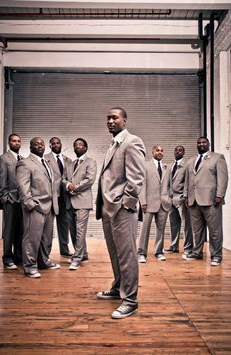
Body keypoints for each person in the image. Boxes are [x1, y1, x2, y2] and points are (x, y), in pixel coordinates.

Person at [96, 107, 146, 319]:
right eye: (108, 117)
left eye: (114, 117)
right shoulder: (114, 143)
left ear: (125, 121)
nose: (110, 121)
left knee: (127, 255)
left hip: (121, 209)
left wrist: (126, 204)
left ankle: (131, 300)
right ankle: (118, 288)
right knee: (115, 254)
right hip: (109, 209)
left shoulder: (132, 141)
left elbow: (136, 177)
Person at [16, 137, 60, 278]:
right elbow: (23, 187)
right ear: (30, 147)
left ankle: (43, 262)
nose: (39, 146)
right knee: (31, 238)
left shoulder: (46, 162)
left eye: (41, 144)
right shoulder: (25, 163)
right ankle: (30, 267)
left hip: (49, 207)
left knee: (46, 238)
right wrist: (30, 204)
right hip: (35, 207)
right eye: (36, 144)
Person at [184, 136, 228, 266]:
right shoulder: (191, 160)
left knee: (214, 230)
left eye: (204, 142)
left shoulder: (217, 158)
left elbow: (223, 178)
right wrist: (186, 195)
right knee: (196, 230)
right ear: (196, 145)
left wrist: (220, 195)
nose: (201, 144)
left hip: (212, 200)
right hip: (194, 201)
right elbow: (187, 180)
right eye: (199, 142)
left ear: (208, 144)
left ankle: (216, 255)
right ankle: (197, 253)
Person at [62, 138, 97, 271]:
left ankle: (76, 259)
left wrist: (73, 187)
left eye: (81, 145)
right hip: (70, 202)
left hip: (83, 201)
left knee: (80, 231)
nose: (78, 146)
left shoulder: (91, 162)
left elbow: (89, 180)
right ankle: (84, 254)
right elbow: (63, 179)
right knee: (73, 230)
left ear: (86, 148)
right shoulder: (70, 163)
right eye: (75, 145)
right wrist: (67, 186)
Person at [138, 145, 171, 262]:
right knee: (144, 229)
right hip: (148, 202)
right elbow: (142, 185)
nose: (160, 152)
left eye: (162, 150)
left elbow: (169, 185)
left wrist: (169, 198)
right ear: (152, 152)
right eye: (157, 150)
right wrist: (143, 202)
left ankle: (159, 252)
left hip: (164, 203)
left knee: (160, 229)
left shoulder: (167, 167)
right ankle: (141, 253)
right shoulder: (145, 165)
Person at [0, 133, 23, 269]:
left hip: (22, 201)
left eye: (18, 141)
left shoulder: (22, 159)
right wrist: (5, 198)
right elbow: (0, 180)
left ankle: (18, 256)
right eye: (14, 141)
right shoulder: (2, 159)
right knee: (9, 230)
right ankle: (7, 258)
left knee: (20, 230)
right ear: (9, 143)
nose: (16, 143)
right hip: (10, 201)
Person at [44, 137, 73, 258]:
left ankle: (64, 250)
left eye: (58, 143)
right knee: (48, 227)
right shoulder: (45, 159)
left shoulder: (68, 160)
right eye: (53, 143)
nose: (56, 145)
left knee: (64, 225)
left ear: (61, 144)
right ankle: (46, 252)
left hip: (65, 197)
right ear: (50, 146)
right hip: (52, 196)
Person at [164, 145, 193, 258]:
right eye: (176, 150)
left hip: (181, 198)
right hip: (171, 199)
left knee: (186, 225)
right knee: (173, 224)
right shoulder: (170, 165)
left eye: (180, 150)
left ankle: (188, 248)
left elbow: (188, 182)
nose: (178, 151)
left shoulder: (187, 165)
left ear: (183, 152)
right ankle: (174, 246)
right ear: (174, 152)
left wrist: (185, 196)